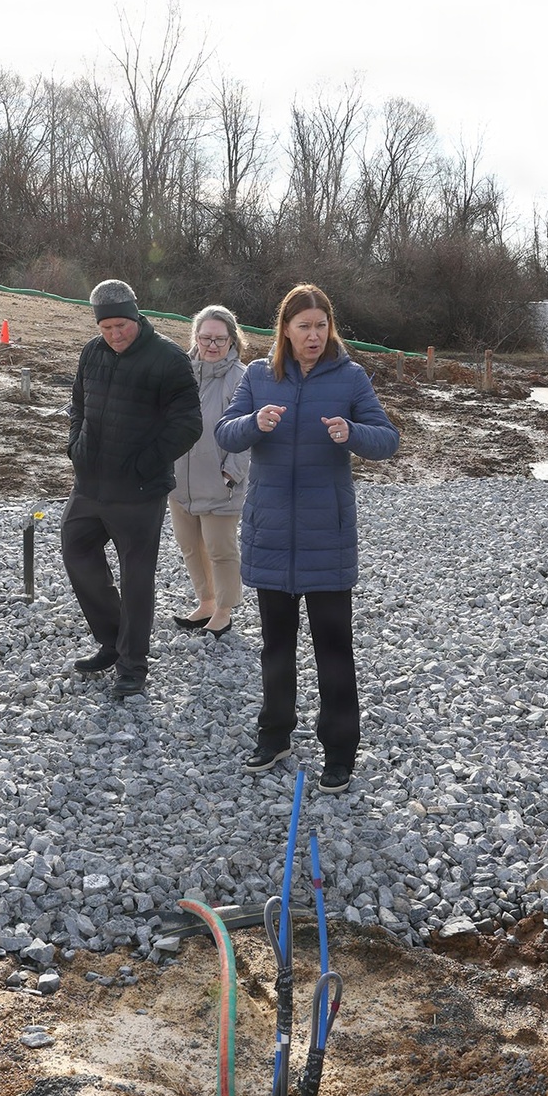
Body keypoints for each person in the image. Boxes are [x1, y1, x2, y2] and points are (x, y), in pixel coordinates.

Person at [215, 282, 399, 793]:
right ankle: (274, 735)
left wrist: (352, 433)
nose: (314, 336)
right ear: (286, 330)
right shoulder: (257, 375)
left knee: (334, 649)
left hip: (326, 535)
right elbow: (225, 434)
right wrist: (256, 422)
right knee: (276, 646)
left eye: (321, 326)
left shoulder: (351, 376)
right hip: (270, 530)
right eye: (304, 327)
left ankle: (339, 752)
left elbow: (388, 441)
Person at [61, 278, 202, 699]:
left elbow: (188, 424)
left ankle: (133, 666)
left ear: (136, 316)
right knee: (76, 549)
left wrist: (145, 463)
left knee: (136, 576)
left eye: (121, 325)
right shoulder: (92, 352)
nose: (115, 334)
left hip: (140, 490)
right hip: (90, 483)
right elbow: (79, 404)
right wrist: (76, 446)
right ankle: (111, 639)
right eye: (106, 328)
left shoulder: (168, 359)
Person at [169, 306, 249, 638]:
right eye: (205, 338)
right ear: (196, 338)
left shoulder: (243, 378)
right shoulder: (180, 372)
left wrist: (230, 473)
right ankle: (206, 601)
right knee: (190, 545)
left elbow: (247, 434)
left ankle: (224, 610)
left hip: (220, 482)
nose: (211, 345)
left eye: (219, 338)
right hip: (179, 481)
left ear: (232, 340)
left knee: (220, 549)